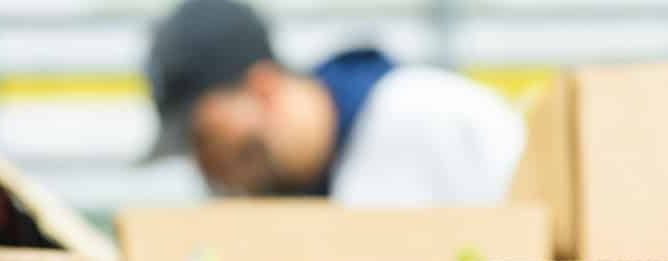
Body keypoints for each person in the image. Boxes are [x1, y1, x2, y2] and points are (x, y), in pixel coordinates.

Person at [146, 0, 525, 205]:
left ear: (262, 87)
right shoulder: (280, 211)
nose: (206, 166)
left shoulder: (433, 116)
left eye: (203, 137)